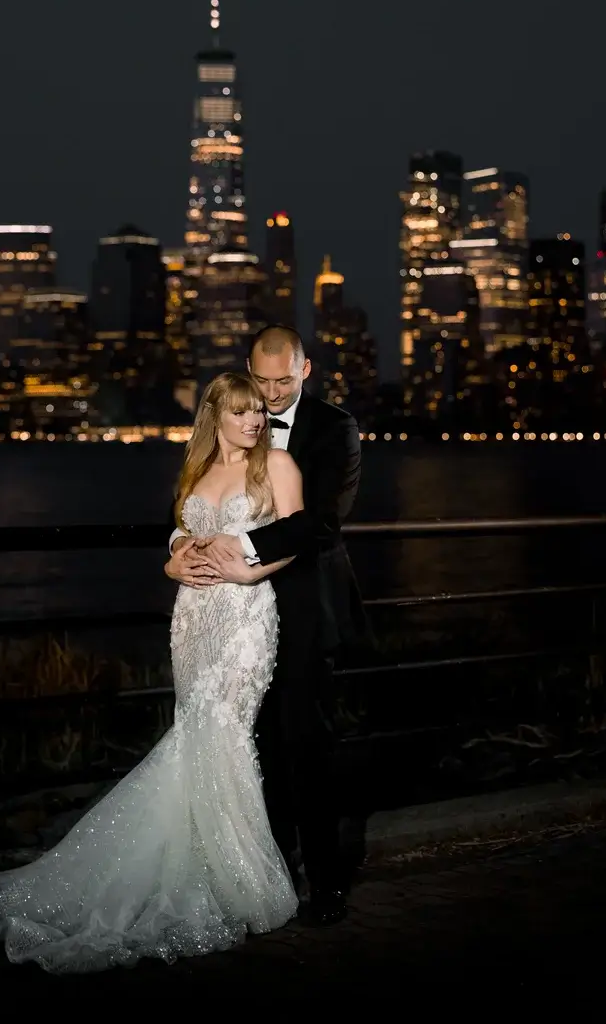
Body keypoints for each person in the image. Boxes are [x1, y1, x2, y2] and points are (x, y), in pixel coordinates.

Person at [0, 372, 303, 974]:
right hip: (193, 618)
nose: (254, 421)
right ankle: (197, 866)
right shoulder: (197, 469)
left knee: (226, 731)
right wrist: (172, 562)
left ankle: (236, 878)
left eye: (258, 410)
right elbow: (182, 532)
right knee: (194, 733)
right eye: (240, 411)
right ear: (215, 415)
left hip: (245, 620)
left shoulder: (276, 466)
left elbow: (296, 536)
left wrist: (249, 573)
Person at [167, 326, 367, 925]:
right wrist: (176, 554)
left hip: (301, 607)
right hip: (223, 618)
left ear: (305, 370)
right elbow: (187, 510)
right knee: (250, 747)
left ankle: (326, 884)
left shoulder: (334, 428)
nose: (273, 395)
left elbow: (321, 522)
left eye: (284, 381)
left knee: (306, 743)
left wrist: (243, 554)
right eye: (262, 381)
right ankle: (264, 874)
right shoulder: (227, 434)